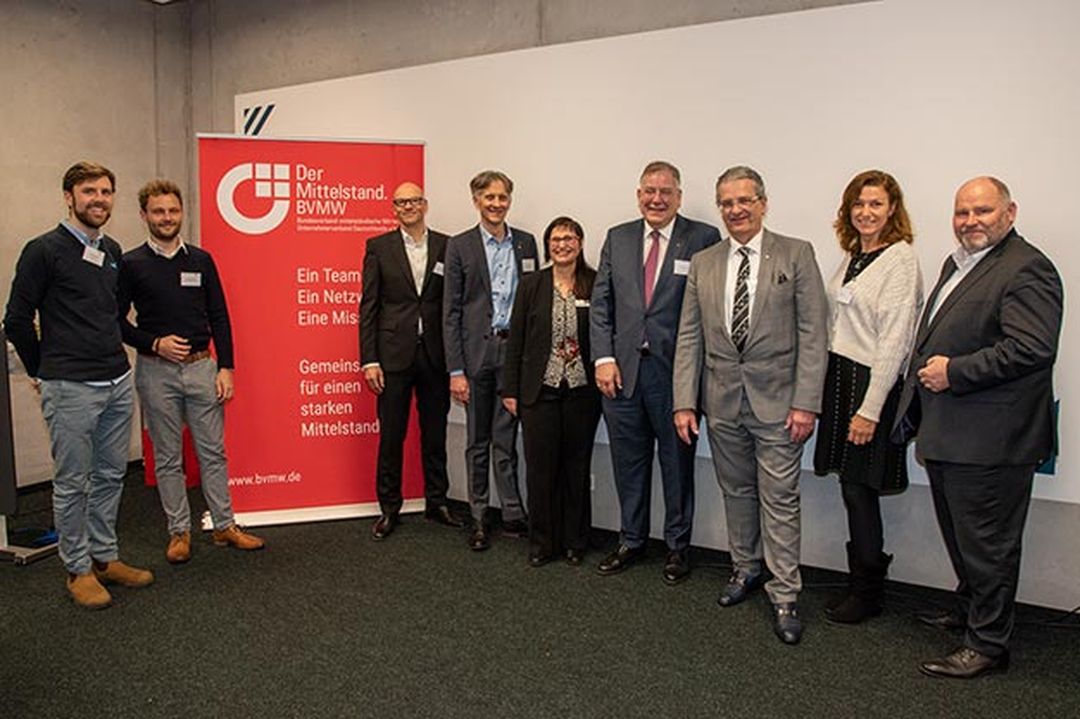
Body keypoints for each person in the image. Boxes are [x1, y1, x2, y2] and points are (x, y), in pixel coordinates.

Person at [893, 176, 1063, 679]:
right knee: (965, 540)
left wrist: (955, 371)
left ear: (1010, 212)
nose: (970, 221)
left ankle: (988, 644)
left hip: (993, 441)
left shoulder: (1027, 267)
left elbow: (1032, 348)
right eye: (962, 212)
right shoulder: (960, 263)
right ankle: (971, 611)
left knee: (989, 547)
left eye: (982, 211)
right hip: (953, 434)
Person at [673, 165, 827, 644]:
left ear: (763, 203)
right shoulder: (704, 262)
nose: (735, 210)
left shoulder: (796, 253)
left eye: (744, 201)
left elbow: (813, 333)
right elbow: (689, 336)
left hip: (780, 405)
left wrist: (806, 403)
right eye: (727, 203)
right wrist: (684, 402)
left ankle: (785, 593)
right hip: (721, 402)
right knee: (736, 492)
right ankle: (745, 569)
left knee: (779, 498)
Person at [3, 161, 153, 609]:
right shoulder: (43, 250)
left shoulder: (110, 249)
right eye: (89, 191)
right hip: (70, 385)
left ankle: (104, 557)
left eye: (105, 191)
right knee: (73, 483)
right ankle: (77, 569)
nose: (98, 199)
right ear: (69, 197)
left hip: (117, 379)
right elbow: (16, 319)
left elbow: (110, 315)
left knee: (110, 475)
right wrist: (42, 370)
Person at [118, 179, 264, 564]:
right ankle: (179, 531)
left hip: (202, 368)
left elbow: (219, 315)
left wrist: (226, 367)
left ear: (181, 213)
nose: (167, 218)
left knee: (213, 452)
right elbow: (115, 321)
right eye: (158, 211)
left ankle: (224, 525)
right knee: (168, 457)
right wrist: (154, 343)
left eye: (173, 210)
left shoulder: (201, 260)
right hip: (156, 372)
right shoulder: (131, 264)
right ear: (144, 215)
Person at [590, 160, 720, 584]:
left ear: (679, 197)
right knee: (628, 463)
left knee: (676, 465)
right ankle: (631, 540)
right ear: (638, 195)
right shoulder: (618, 237)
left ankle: (677, 547)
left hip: (675, 377)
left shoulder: (702, 238)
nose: (656, 199)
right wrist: (603, 359)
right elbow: (601, 304)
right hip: (622, 375)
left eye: (665, 191)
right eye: (649, 191)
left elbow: (709, 310)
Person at [813, 170, 923, 623]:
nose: (866, 212)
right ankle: (859, 583)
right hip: (840, 380)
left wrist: (870, 410)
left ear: (892, 209)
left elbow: (895, 343)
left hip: (869, 387)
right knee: (850, 487)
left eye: (876, 203)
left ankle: (868, 593)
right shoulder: (855, 256)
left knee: (860, 491)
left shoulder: (900, 260)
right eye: (858, 204)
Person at [360, 182, 461, 539]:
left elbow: (454, 305)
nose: (408, 207)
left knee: (435, 434)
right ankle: (389, 508)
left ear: (425, 205)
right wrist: (369, 360)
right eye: (401, 202)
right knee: (392, 435)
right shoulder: (378, 247)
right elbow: (368, 307)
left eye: (414, 201)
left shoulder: (448, 246)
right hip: (392, 356)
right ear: (394, 208)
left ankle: (438, 502)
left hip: (435, 354)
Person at [443, 170, 538, 551]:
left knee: (507, 438)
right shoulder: (459, 246)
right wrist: (456, 370)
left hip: (513, 354)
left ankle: (512, 511)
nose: (497, 204)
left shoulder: (526, 243)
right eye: (489, 197)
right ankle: (479, 514)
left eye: (502, 197)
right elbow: (450, 312)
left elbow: (532, 303)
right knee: (477, 441)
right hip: (475, 357)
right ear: (476, 201)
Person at [502, 217, 602, 567]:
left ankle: (575, 541)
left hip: (581, 393)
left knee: (577, 468)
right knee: (541, 470)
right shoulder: (531, 285)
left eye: (569, 238)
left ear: (580, 243)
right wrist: (510, 389)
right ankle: (542, 542)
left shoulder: (594, 283)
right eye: (556, 239)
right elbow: (516, 339)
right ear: (548, 245)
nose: (562, 245)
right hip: (538, 392)